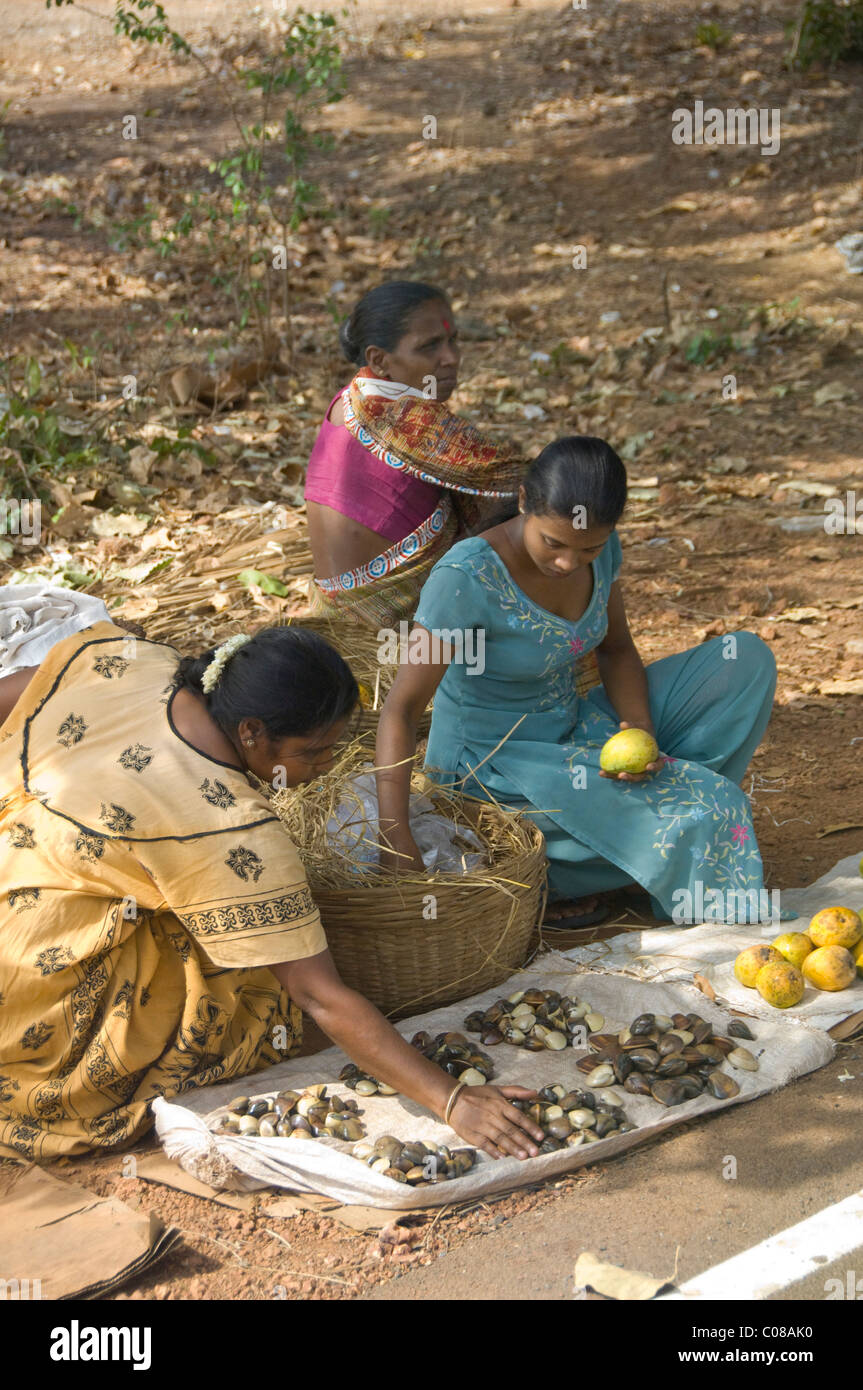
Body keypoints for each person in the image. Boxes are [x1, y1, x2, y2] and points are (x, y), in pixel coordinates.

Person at [0, 619, 543, 1161]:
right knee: (254, 978)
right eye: (312, 752)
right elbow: (317, 995)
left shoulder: (134, 662)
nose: (325, 767)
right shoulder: (234, 830)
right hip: (44, 994)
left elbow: (20, 688)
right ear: (252, 732)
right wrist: (451, 1100)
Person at [375, 436, 778, 927]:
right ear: (524, 501)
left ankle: (625, 840)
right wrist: (396, 838)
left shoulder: (601, 551)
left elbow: (617, 649)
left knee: (746, 662)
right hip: (495, 766)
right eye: (553, 543)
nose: (569, 562)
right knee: (707, 812)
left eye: (588, 548)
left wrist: (639, 731)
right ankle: (556, 870)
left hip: (577, 726)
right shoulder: (465, 579)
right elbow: (401, 708)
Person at [303, 280, 527, 629]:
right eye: (430, 346)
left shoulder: (353, 397)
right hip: (391, 637)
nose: (451, 358)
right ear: (379, 359)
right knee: (547, 513)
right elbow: (519, 482)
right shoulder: (403, 418)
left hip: (338, 620)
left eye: (453, 340)